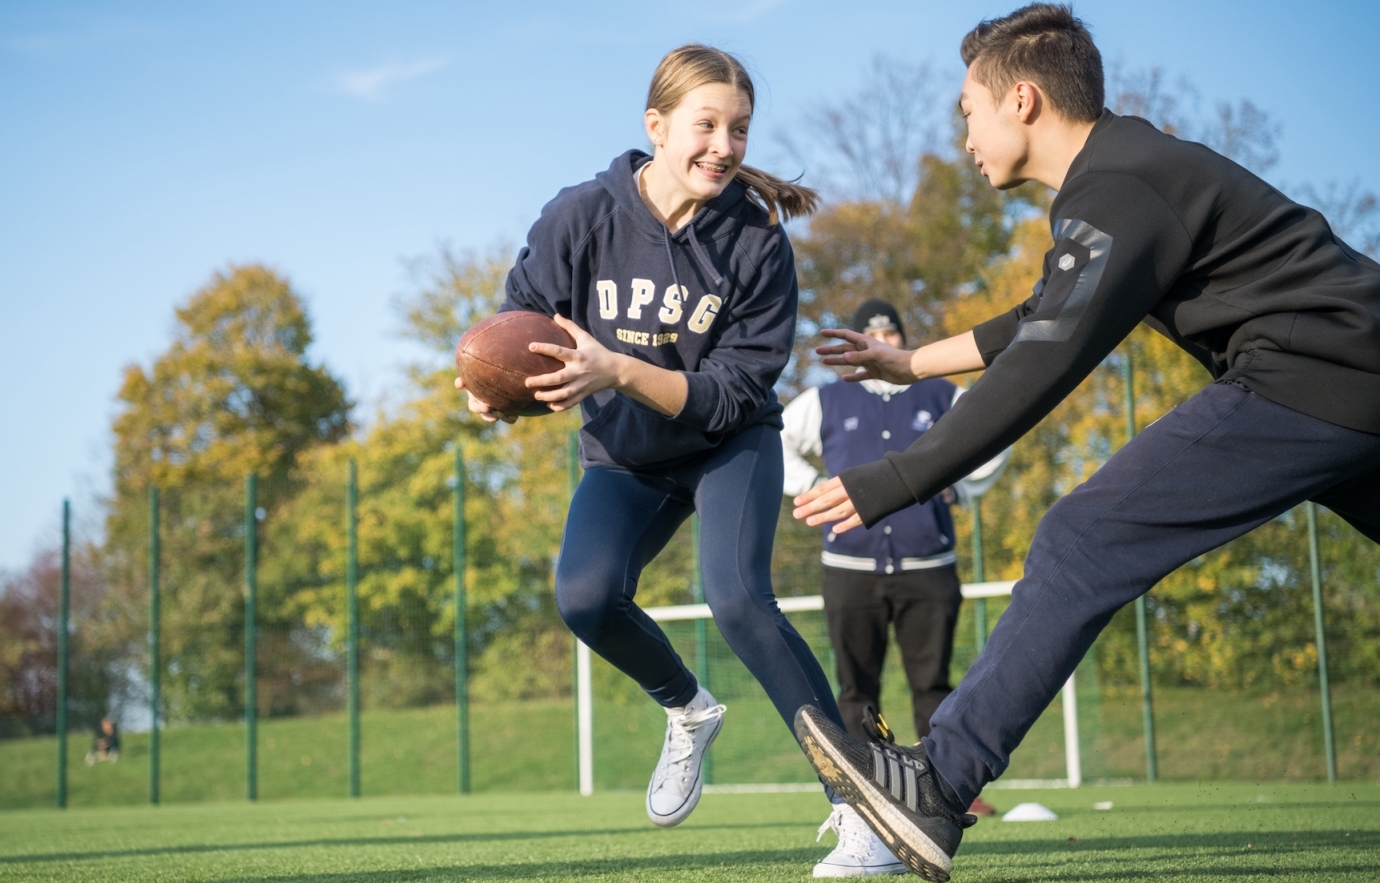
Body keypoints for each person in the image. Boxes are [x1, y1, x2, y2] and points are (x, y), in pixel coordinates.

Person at [787, 5, 1380, 881]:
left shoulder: (1120, 190)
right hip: (1351, 375)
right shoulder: (1127, 177)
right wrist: (912, 360)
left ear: (1021, 100)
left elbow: (1044, 359)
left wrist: (898, 478)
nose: (965, 136)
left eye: (967, 112)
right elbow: (1038, 318)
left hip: (1311, 374)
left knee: (1083, 535)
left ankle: (938, 781)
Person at [457, 44, 903, 877]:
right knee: (583, 596)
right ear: (656, 127)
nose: (724, 146)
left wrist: (618, 369)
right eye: (707, 125)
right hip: (628, 457)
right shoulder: (581, 214)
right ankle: (689, 711)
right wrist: (492, 393)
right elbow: (520, 327)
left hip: (727, 445)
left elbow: (733, 394)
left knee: (738, 600)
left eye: (740, 129)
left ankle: (864, 807)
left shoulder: (757, 241)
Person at [781, 299, 1007, 819]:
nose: (883, 336)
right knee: (857, 687)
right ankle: (867, 788)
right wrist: (814, 487)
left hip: (929, 566)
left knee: (933, 684)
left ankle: (948, 789)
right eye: (872, 331)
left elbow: (996, 434)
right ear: (856, 344)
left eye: (891, 330)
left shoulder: (941, 392)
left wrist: (963, 487)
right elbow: (777, 443)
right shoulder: (825, 401)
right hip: (849, 570)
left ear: (901, 339)